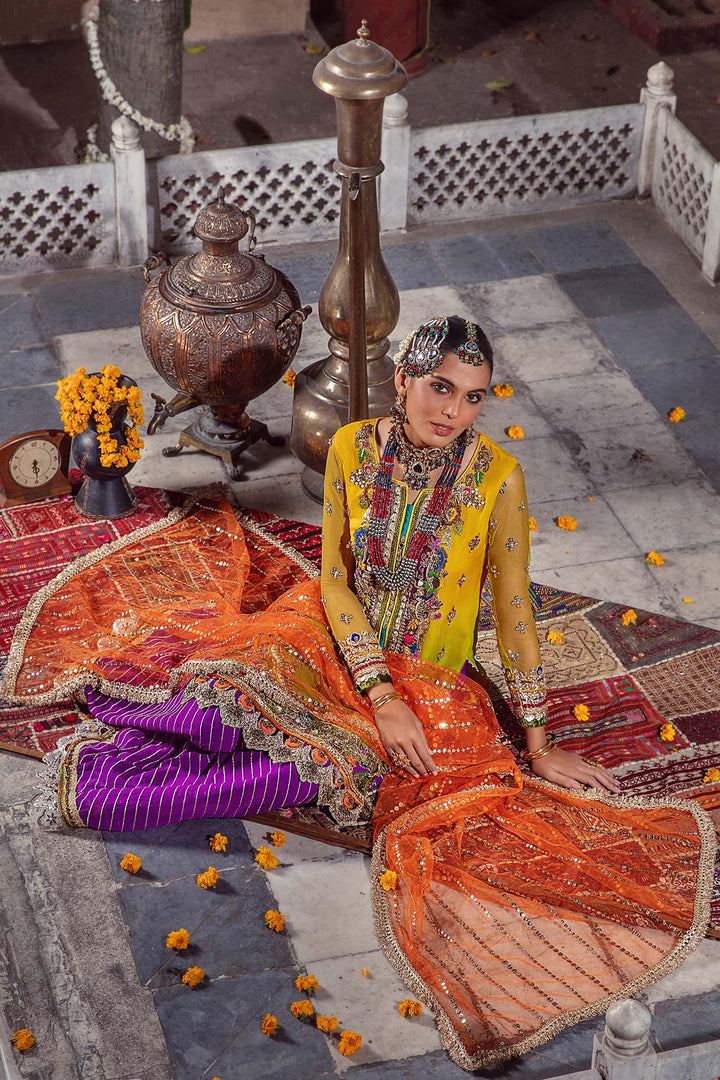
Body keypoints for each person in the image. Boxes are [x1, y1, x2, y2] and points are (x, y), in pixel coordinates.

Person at [1, 315, 712, 1071]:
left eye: (473, 397)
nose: (454, 410)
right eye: (440, 387)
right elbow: (335, 580)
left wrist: (537, 744)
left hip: (427, 685)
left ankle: (94, 790)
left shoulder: (497, 479)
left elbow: (513, 612)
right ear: (402, 379)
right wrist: (378, 692)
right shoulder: (352, 448)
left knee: (294, 771)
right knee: (220, 707)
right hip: (331, 638)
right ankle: (123, 729)